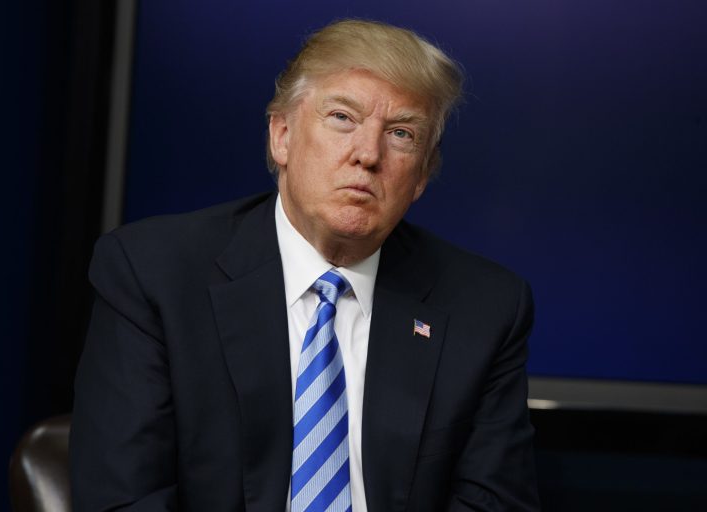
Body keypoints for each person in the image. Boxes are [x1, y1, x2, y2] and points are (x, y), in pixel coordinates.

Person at [70, 19, 540, 512]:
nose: (367, 154)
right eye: (343, 117)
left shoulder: (484, 308)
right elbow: (123, 500)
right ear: (282, 136)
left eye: (401, 133)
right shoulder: (154, 273)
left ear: (421, 175)